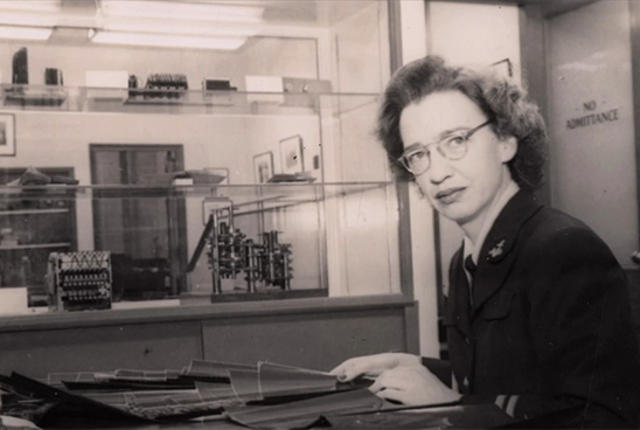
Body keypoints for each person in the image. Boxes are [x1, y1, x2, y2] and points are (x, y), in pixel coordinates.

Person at [331, 56, 640, 427]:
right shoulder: (464, 261)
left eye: (456, 141)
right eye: (418, 154)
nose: (437, 173)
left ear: (506, 141)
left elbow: (603, 417)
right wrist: (415, 365)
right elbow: (503, 381)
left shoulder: (563, 249)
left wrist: (454, 405)